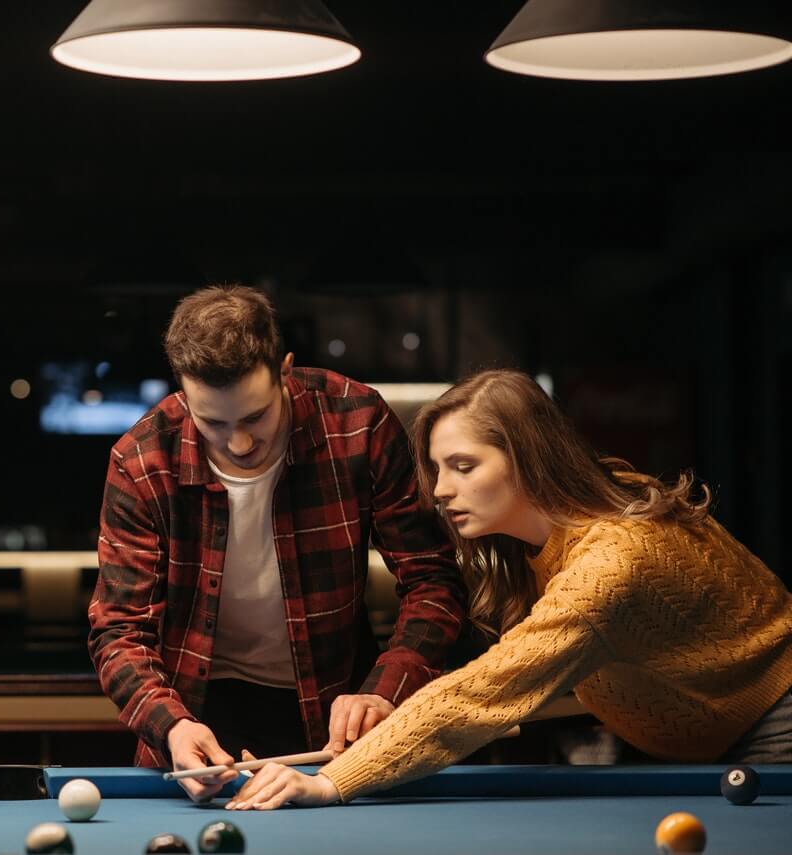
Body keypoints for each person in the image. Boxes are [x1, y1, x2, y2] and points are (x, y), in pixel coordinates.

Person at [225, 369, 792, 811]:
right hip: (718, 730)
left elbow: (480, 696)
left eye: (463, 466)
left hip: (776, 723)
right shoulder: (574, 529)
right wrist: (399, 723)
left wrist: (329, 784)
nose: (441, 490)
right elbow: (540, 678)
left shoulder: (613, 563)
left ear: (527, 458)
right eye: (437, 469)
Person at [89, 285, 468, 802]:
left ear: (285, 371)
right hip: (196, 714)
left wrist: (384, 691)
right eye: (213, 423)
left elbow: (433, 580)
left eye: (254, 417)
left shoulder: (358, 423)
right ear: (181, 390)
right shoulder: (140, 461)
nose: (239, 443)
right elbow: (118, 630)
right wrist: (172, 726)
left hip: (341, 712)